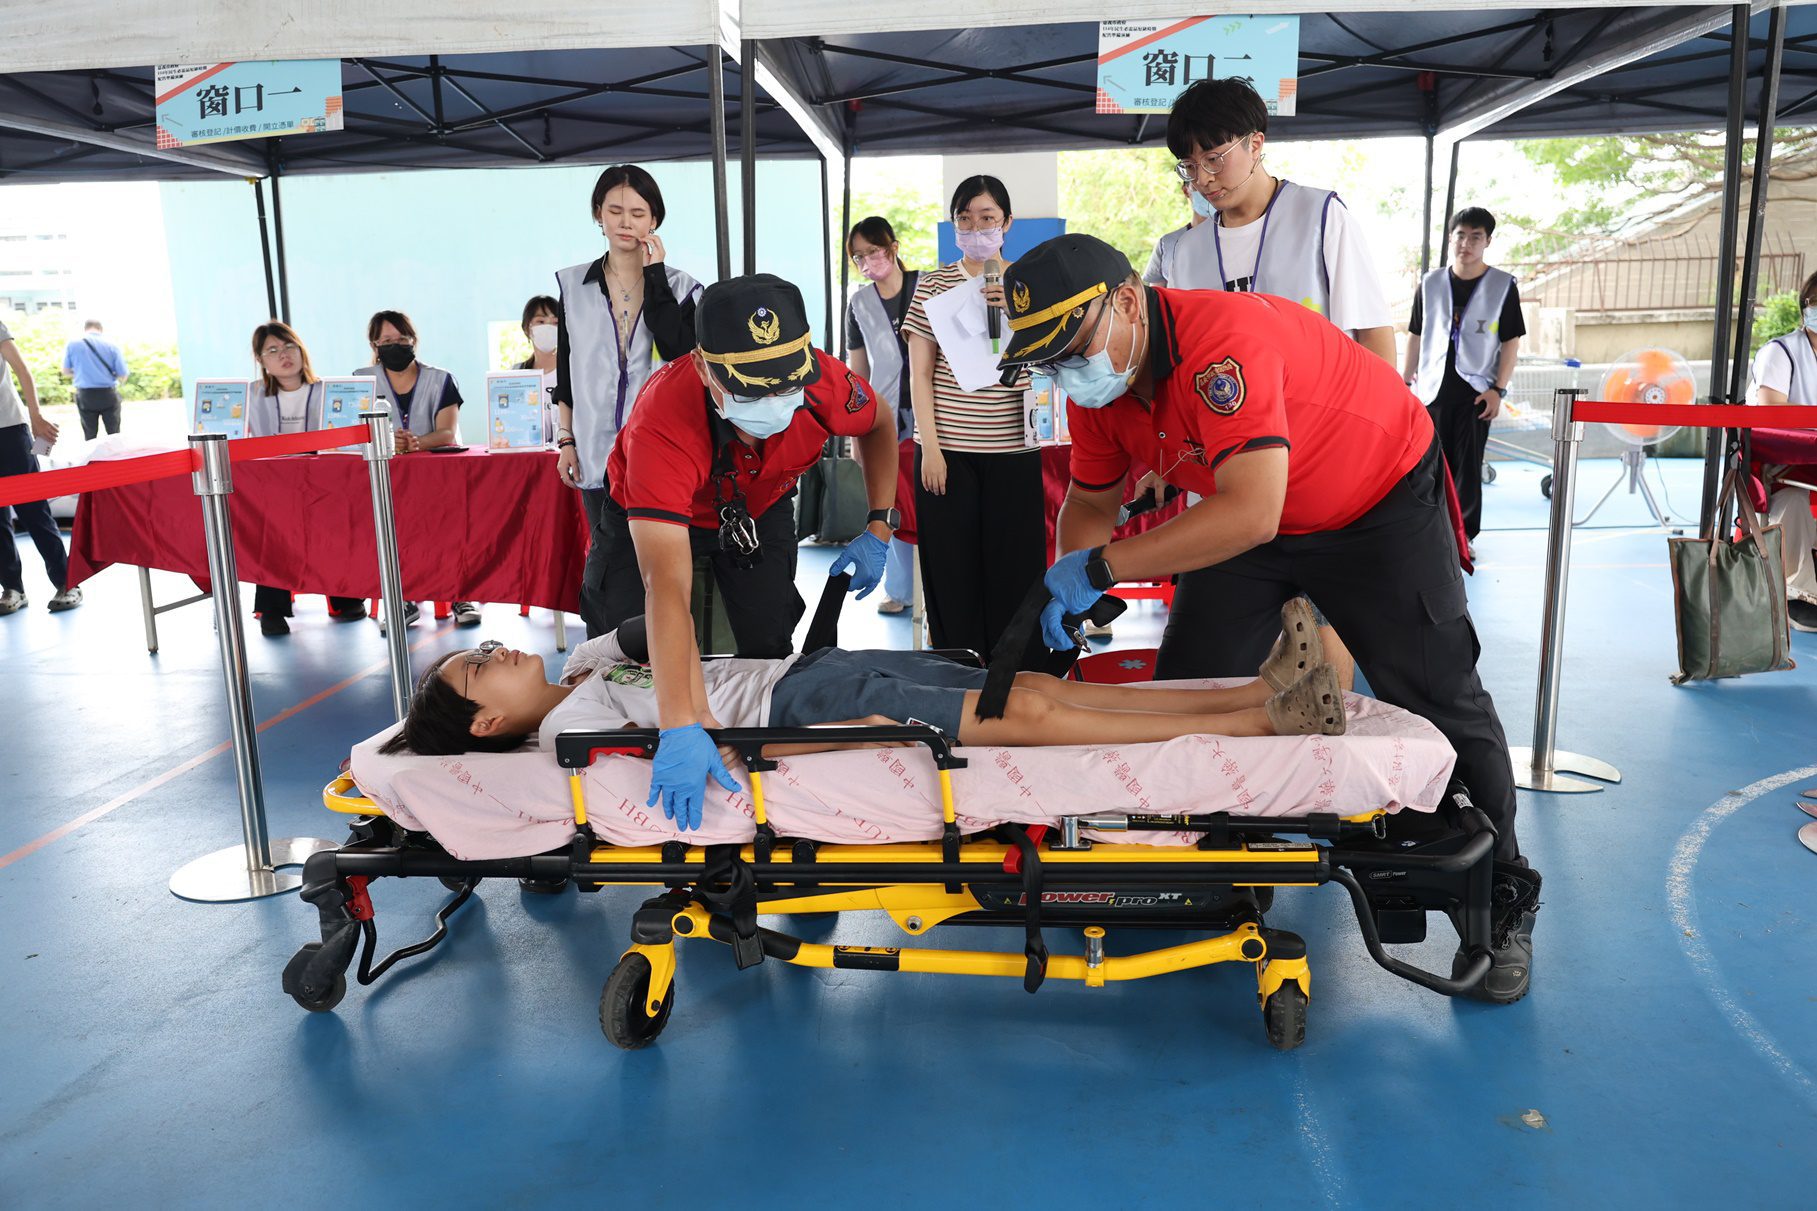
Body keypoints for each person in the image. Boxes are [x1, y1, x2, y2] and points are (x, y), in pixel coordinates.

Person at [997, 233, 1538, 1004]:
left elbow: (1251, 510)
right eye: (1046, 361)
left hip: (1373, 500)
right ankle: (1213, 873)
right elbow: (1090, 500)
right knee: (1187, 694)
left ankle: (1504, 902)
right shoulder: (1105, 389)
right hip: (1251, 517)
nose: (1065, 373)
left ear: (1124, 301)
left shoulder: (1222, 346)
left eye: (1071, 349)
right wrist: (1071, 589)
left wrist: (1105, 566)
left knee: (1437, 691)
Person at [376, 606, 1347, 831]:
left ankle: (1261, 696)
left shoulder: (585, 661)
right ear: (486, 729)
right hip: (808, 707)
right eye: (477, 670)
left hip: (813, 666)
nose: (496, 649)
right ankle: (1275, 724)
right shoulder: (561, 736)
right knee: (1037, 707)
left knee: (1044, 683)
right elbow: (666, 754)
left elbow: (658, 617)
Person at [597, 272, 903, 819]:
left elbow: (878, 421)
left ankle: (781, 796)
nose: (770, 401)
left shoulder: (823, 381)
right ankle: (616, 809)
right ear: (701, 366)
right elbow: (666, 588)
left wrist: (879, 524)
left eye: (785, 385)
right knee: (631, 657)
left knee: (768, 640)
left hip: (757, 506)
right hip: (654, 517)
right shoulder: (662, 424)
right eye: (750, 387)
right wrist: (688, 722)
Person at [552, 164, 705, 638]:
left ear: (654, 220)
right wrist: (565, 439)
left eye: (638, 212)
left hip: (660, 451)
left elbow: (682, 353)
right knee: (604, 568)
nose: (625, 222)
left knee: (656, 569)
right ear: (597, 214)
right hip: (596, 452)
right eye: (615, 210)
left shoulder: (681, 286)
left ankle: (659, 664)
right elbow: (565, 369)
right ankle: (605, 664)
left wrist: (655, 275)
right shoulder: (572, 286)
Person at [901, 176, 1045, 655]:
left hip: (1014, 449)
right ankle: (956, 677)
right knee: (952, 571)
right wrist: (932, 449)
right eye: (965, 219)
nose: (976, 228)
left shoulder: (1029, 281)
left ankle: (1013, 680)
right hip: (949, 454)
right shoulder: (933, 285)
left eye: (987, 218)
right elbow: (920, 374)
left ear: (1007, 223)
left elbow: (1052, 361)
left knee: (1014, 571)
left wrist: (1020, 315)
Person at [1164, 79, 1396, 365]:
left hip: (1320, 406)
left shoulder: (1320, 217)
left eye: (1213, 159)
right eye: (1189, 166)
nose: (1203, 179)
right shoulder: (1187, 251)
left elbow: (1372, 331)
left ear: (1255, 144)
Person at [1404, 207, 1524, 550]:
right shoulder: (1431, 283)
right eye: (1461, 235)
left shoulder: (1502, 286)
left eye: (1475, 237)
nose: (1466, 244)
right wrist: (1405, 383)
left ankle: (1463, 537)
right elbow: (1415, 333)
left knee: (1468, 469)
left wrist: (1498, 390)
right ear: (1450, 238)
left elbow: (1510, 340)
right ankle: (1429, 532)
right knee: (1426, 466)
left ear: (1487, 241)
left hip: (1476, 393)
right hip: (1431, 391)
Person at [354, 309, 474, 628]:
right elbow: (353, 433)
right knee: (390, 529)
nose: (396, 345)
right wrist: (390, 443)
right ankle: (402, 599)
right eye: (387, 340)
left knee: (450, 527)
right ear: (375, 345)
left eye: (402, 338)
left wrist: (415, 443)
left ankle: (461, 593)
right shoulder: (360, 380)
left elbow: (447, 432)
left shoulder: (441, 378)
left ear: (414, 341)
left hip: (438, 476)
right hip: (386, 479)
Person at [247, 321, 366, 634]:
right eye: (272, 350)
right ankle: (272, 608)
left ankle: (344, 595)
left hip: (324, 484)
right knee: (268, 524)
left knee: (337, 514)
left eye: (289, 346)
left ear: (301, 351)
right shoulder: (251, 396)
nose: (283, 355)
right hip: (273, 486)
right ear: (261, 361)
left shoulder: (329, 390)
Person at [844, 216, 922, 615]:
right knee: (891, 500)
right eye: (859, 256)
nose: (868, 261)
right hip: (888, 413)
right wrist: (858, 434)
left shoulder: (927, 286)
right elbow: (857, 374)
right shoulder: (858, 303)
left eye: (873, 251)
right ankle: (900, 589)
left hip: (935, 409)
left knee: (935, 496)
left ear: (892, 247)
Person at [1746, 269, 1817, 633]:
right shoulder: (1781, 352)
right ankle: (1799, 593)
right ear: (1805, 308)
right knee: (1794, 503)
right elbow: (1774, 418)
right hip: (1780, 464)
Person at [0, 315, 80, 615]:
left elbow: (22, 369)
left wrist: (35, 417)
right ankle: (12, 588)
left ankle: (68, 582)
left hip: (9, 428)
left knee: (33, 510)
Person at [60, 319, 130, 440]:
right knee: (114, 435)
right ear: (100, 329)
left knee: (90, 435)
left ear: (85, 328)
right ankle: (115, 456)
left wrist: (82, 373)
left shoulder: (73, 344)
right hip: (108, 394)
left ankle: (92, 457)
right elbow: (123, 374)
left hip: (85, 395)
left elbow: (65, 371)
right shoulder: (112, 345)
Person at [1142, 180, 1211, 289]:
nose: (1207, 192)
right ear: (1186, 190)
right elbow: (1157, 296)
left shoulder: (1234, 236)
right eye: (1198, 185)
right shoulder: (1167, 243)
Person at [515, 295, 561, 444]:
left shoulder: (573, 372)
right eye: (540, 321)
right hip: (529, 458)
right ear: (527, 328)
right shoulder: (516, 374)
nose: (548, 327)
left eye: (555, 322)